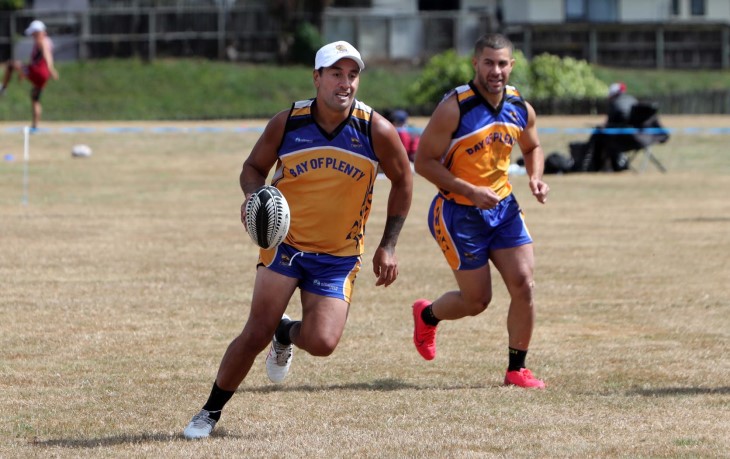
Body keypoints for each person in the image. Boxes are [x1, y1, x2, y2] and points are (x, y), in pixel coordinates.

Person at [183, 40, 413, 439]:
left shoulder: (375, 129)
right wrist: (254, 196)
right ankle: (209, 412)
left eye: (352, 75)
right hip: (285, 245)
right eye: (336, 74)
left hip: (339, 254)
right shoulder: (288, 122)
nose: (345, 83)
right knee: (255, 331)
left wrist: (388, 244)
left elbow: (404, 180)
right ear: (317, 78)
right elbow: (252, 167)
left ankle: (286, 333)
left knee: (323, 343)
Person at [412, 33, 549, 389]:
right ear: (475, 64)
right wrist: (470, 190)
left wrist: (535, 177)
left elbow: (532, 146)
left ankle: (516, 369)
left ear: (512, 66)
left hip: (503, 209)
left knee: (525, 286)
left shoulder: (520, 106)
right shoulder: (455, 108)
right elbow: (423, 162)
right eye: (488, 62)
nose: (496, 70)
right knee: (477, 301)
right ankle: (427, 315)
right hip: (459, 214)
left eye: (503, 63)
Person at [0, 20, 59, 130]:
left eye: (33, 33)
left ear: (39, 32)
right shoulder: (47, 41)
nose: (32, 36)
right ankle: (35, 126)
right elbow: (38, 58)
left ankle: (3, 88)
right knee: (35, 97)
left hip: (38, 71)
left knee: (11, 65)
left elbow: (46, 55)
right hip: (42, 76)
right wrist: (25, 73)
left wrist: (51, 69)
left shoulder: (42, 41)